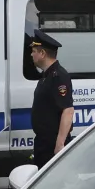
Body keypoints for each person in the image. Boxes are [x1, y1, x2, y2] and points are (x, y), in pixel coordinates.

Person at [28, 29, 75, 166]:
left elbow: (68, 110)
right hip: (43, 143)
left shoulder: (58, 76)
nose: (31, 54)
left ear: (42, 53)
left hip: (53, 144)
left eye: (34, 51)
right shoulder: (47, 75)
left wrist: (60, 145)